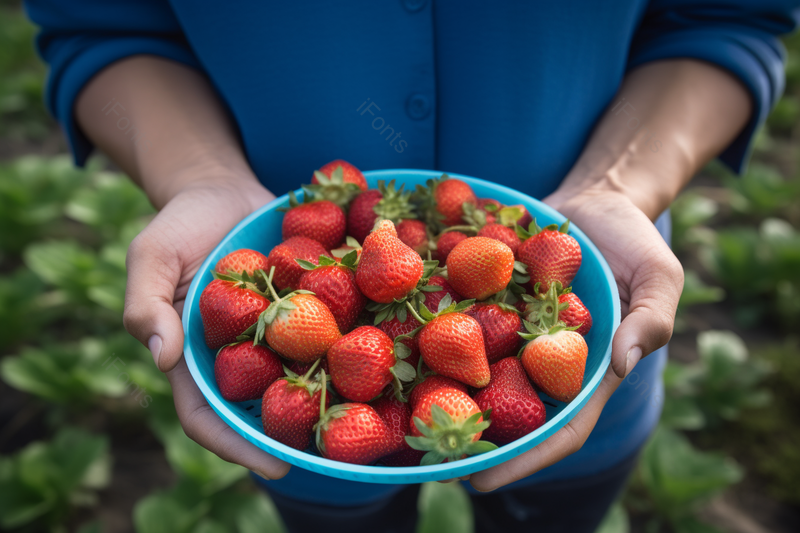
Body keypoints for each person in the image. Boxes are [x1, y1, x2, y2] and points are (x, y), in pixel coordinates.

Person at [24, 0, 799, 531]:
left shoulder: (521, 316)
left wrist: (619, 185)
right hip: (304, 437)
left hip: (597, 323)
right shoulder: (331, 325)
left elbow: (725, 12)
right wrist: (197, 176)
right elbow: (102, 18)